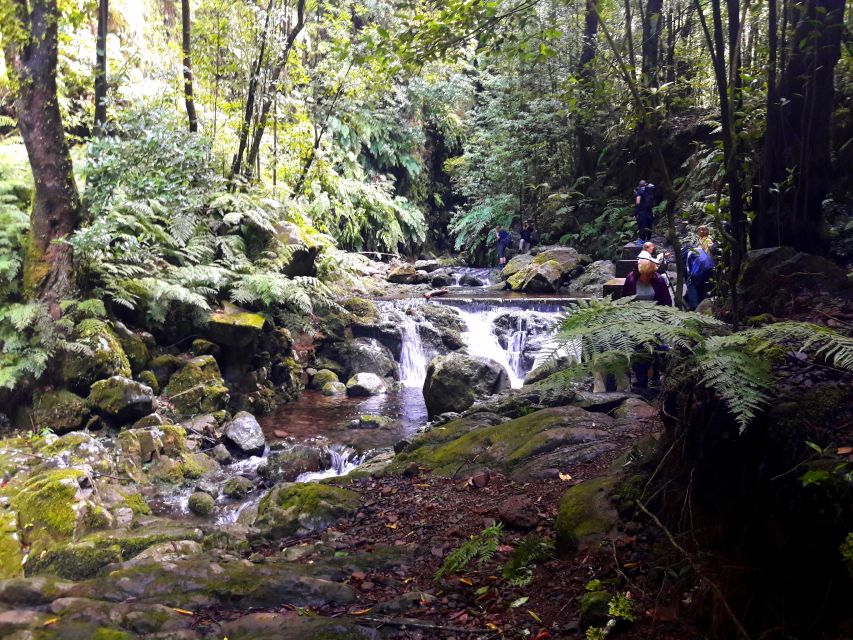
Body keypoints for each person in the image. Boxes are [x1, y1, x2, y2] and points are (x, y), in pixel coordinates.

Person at [682, 244, 715, 310]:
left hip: (701, 267)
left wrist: (688, 277)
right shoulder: (697, 250)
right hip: (711, 265)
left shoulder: (687, 254)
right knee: (701, 283)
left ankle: (694, 306)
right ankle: (702, 299)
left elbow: (687, 268)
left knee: (690, 283)